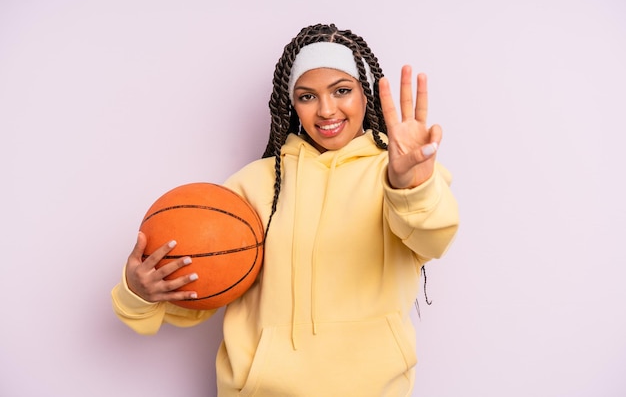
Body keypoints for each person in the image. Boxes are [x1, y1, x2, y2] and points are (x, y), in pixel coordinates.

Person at [111, 23, 459, 396]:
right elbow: (208, 288)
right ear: (290, 104)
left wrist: (411, 186)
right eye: (307, 96)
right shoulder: (255, 185)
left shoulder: (397, 173)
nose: (326, 110)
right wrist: (140, 293)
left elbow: (433, 237)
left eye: (342, 91)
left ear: (365, 93)